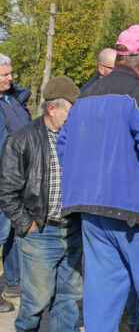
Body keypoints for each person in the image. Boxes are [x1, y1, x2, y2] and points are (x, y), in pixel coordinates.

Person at [57, 25, 139, 331]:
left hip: (93, 214)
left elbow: (64, 145)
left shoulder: (85, 96)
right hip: (138, 217)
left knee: (102, 297)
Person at [0, 76, 82, 331]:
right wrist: (27, 225)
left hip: (73, 231)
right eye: (70, 110)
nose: (74, 117)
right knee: (35, 303)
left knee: (68, 301)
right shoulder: (21, 140)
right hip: (40, 233)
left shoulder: (78, 137)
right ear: (51, 109)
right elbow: (6, 191)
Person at [0, 53, 31, 312]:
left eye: (10, 73)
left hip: (17, 177)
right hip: (2, 177)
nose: (10, 78)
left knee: (12, 230)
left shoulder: (14, 98)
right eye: (4, 75)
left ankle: (14, 281)